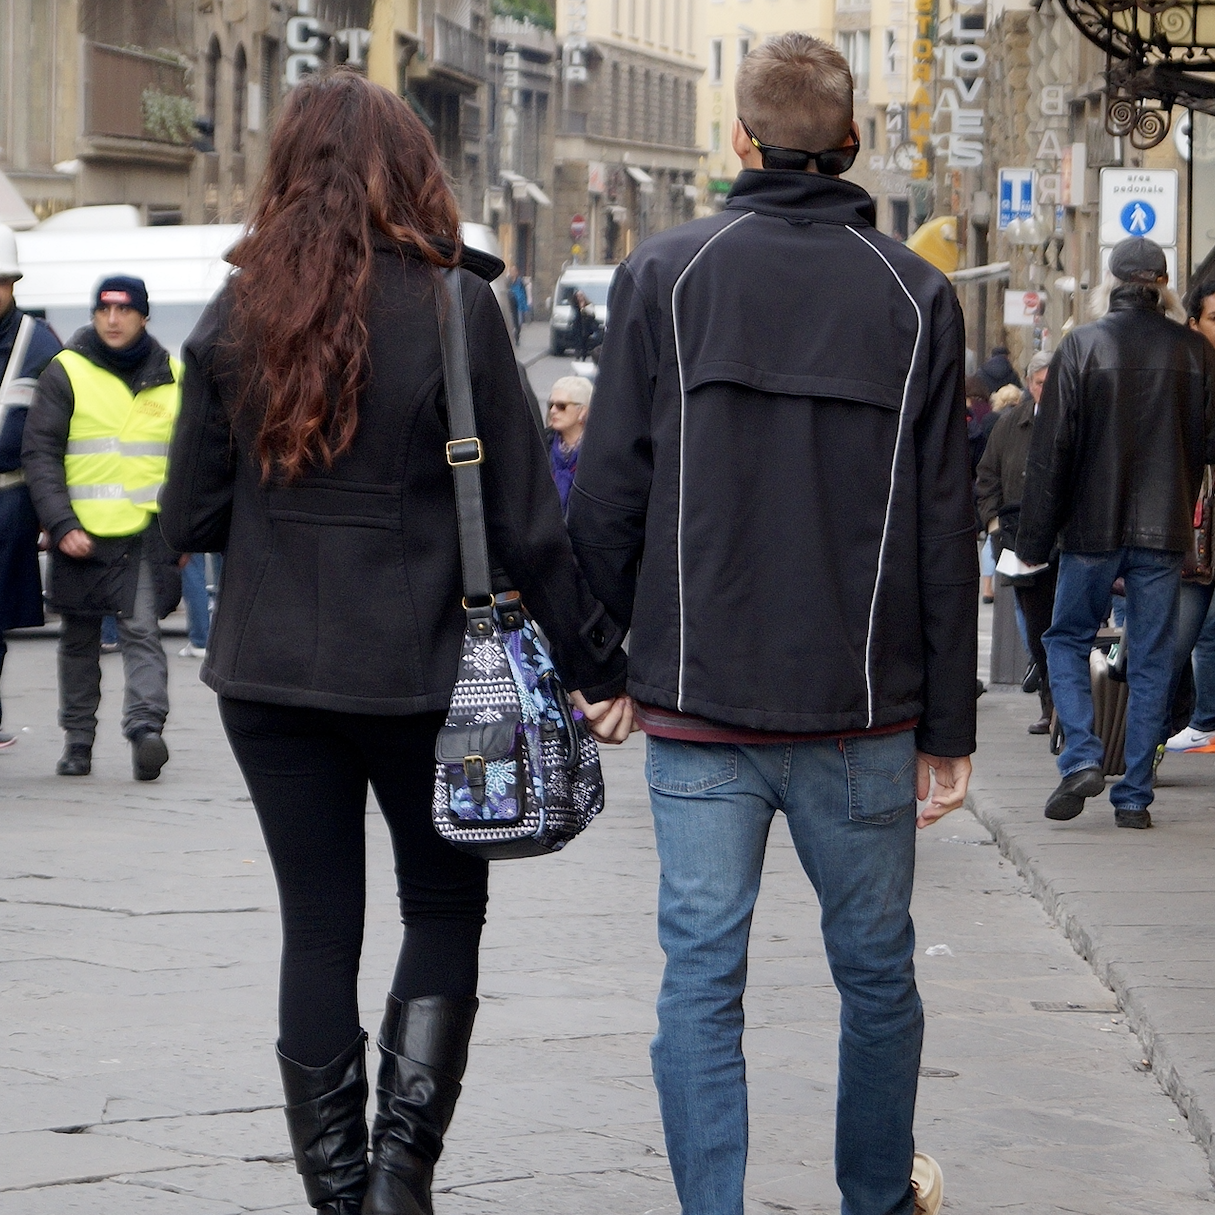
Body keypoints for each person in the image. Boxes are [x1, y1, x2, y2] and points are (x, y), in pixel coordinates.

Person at [159, 70, 630, 1215]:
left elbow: (187, 516)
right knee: (442, 911)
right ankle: (400, 1179)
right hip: (429, 674)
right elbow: (527, 522)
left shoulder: (238, 307)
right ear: (409, 169)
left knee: (316, 928)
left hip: (270, 672)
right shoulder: (453, 307)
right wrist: (598, 665)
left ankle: (335, 1191)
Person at [566, 34, 975, 1215]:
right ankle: (874, 1199)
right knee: (878, 978)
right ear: (854, 141)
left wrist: (604, 664)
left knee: (699, 982)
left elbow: (609, 492)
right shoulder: (915, 293)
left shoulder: (668, 273)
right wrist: (949, 727)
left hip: (699, 710)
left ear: (739, 139)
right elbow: (945, 523)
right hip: (862, 709)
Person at [1016, 238, 1215, 829]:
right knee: (1153, 659)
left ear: (1113, 280)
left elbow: (1052, 452)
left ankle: (1081, 755)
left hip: (1091, 527)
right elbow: (1208, 444)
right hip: (1165, 525)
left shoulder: (1082, 345)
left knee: (1067, 640)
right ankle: (1133, 795)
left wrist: (1031, 542)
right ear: (1164, 283)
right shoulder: (1193, 352)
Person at [22, 275, 183, 781]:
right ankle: (78, 741)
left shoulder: (173, 375)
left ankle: (145, 730)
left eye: (124, 310)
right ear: (94, 315)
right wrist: (60, 520)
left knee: (142, 632)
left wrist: (185, 530)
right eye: (103, 310)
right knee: (78, 639)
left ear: (143, 315)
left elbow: (188, 461)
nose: (113, 320)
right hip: (81, 533)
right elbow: (41, 454)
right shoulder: (65, 371)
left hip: (144, 532)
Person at [0, 224, 62, 749]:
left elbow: (56, 433)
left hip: (10, 502)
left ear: (13, 283)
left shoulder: (38, 343)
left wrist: (49, 513)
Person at [976, 350, 1056, 734]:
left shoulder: (1074, 422)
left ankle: (1064, 706)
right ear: (1029, 384)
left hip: (1064, 543)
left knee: (1067, 627)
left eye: (1053, 381)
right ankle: (1048, 701)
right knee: (1038, 626)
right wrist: (993, 524)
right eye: (1040, 382)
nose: (1047, 389)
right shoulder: (1010, 426)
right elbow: (986, 475)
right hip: (1019, 541)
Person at [1165, 279, 1215, 752]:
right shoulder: (1180, 374)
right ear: (1193, 323)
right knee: (1173, 646)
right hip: (1191, 535)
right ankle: (1141, 748)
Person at [545, 374, 592, 513]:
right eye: (551, 405)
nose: (553, 410)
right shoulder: (543, 443)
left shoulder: (598, 451)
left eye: (561, 406)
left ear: (582, 411)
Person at [570, 288, 599, 360]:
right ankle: (577, 354)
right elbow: (575, 315)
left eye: (581, 295)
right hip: (578, 326)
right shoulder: (575, 305)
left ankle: (584, 355)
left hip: (586, 326)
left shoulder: (588, 304)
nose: (579, 297)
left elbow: (592, 315)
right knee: (578, 340)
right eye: (578, 296)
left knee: (585, 342)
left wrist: (583, 308)